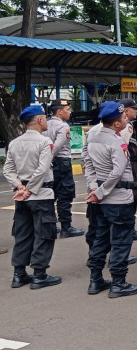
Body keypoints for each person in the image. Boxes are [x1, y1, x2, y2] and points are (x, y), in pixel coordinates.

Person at [84, 101, 137, 298]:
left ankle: (95, 279)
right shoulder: (116, 141)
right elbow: (118, 171)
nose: (126, 120)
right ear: (117, 124)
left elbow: (89, 166)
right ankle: (118, 283)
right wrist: (100, 192)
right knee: (120, 241)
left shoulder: (93, 138)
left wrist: (94, 189)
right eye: (123, 118)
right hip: (118, 199)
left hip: (100, 200)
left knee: (101, 239)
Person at [4, 105, 62, 290]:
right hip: (40, 194)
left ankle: (19, 275)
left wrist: (19, 186)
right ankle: (39, 275)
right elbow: (42, 169)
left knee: (22, 235)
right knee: (44, 234)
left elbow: (8, 170)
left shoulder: (14, 142)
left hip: (22, 197)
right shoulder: (44, 142)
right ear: (39, 120)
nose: (46, 121)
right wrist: (29, 189)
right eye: (44, 118)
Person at [46, 100, 83, 238]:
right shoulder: (63, 126)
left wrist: (46, 161)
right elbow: (57, 147)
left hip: (50, 164)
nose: (70, 111)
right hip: (61, 162)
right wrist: (49, 158)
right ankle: (66, 227)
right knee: (65, 195)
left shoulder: (46, 124)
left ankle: (50, 225)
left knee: (51, 194)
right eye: (68, 109)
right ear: (60, 111)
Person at [118, 98, 137, 240]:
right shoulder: (126, 127)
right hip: (129, 164)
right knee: (131, 196)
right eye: (133, 108)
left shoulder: (127, 125)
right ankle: (130, 229)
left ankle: (130, 228)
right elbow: (122, 147)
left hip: (130, 163)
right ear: (126, 110)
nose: (136, 110)